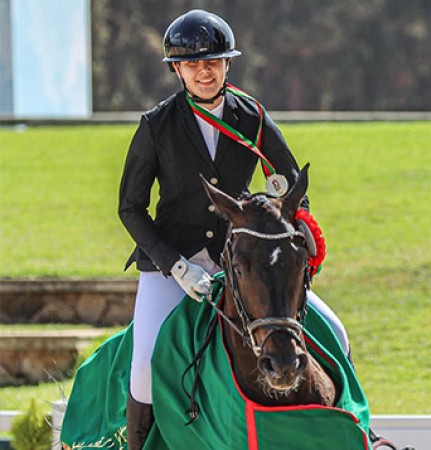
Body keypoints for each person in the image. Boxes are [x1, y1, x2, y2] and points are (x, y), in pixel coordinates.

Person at [118, 9, 351, 449]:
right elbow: (130, 208)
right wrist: (175, 266)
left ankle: (354, 427)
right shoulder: (156, 126)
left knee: (335, 330)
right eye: (192, 64)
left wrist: (280, 231)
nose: (204, 72)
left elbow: (291, 188)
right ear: (177, 70)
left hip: (245, 259)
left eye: (213, 62)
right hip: (174, 260)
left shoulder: (252, 117)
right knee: (146, 366)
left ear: (228, 64)